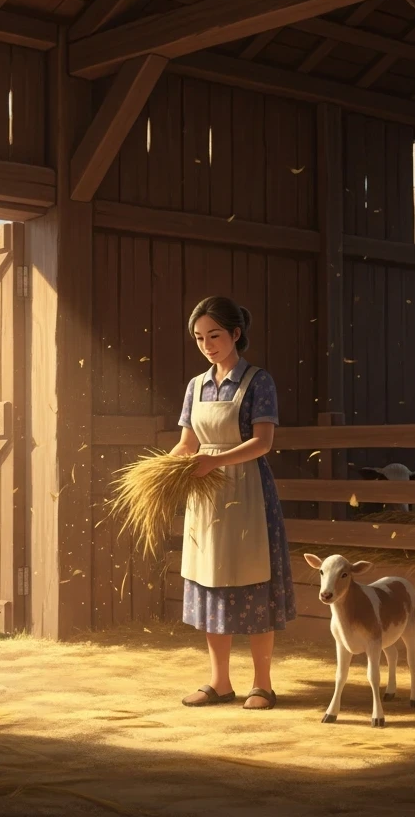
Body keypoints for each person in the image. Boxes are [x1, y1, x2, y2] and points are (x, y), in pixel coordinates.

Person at [168, 295, 297, 710]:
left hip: (247, 492)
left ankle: (263, 683)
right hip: (205, 497)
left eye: (215, 335)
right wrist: (160, 470)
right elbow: (188, 444)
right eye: (200, 338)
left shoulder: (259, 381)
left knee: (253, 581)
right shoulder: (195, 385)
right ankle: (219, 682)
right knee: (210, 582)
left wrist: (215, 461)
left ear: (236, 334)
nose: (207, 344)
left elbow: (263, 442)